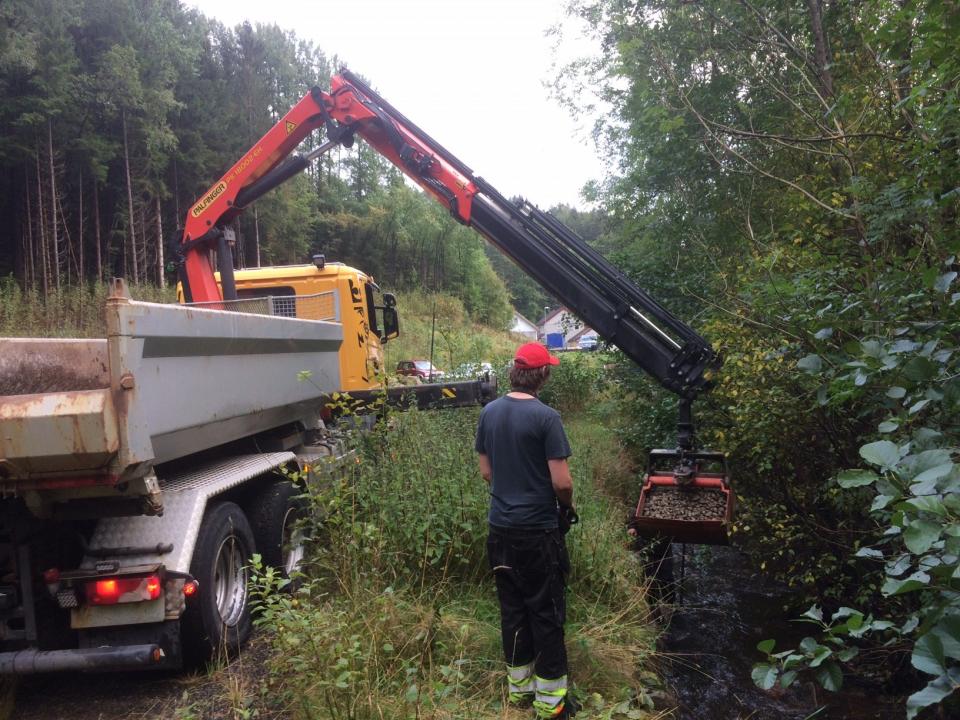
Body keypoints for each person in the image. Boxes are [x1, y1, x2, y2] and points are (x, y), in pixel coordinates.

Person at [475, 342, 578, 719]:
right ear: (543, 375)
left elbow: (487, 472)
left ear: (514, 372)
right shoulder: (546, 417)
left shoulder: (489, 413)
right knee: (546, 613)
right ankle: (551, 704)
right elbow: (562, 483)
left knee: (513, 611)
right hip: (537, 532)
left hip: (499, 530)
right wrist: (566, 508)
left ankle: (519, 692)